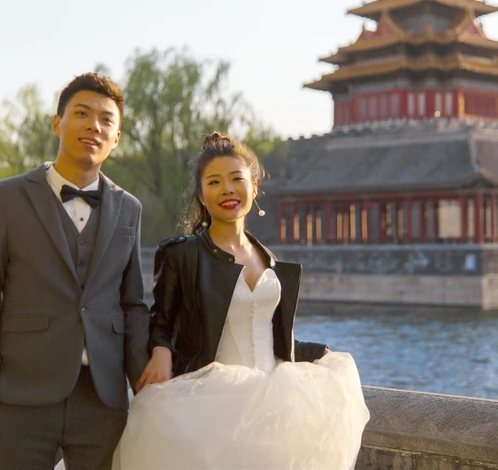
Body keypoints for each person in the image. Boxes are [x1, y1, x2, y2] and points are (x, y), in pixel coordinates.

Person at [114, 131, 369, 470]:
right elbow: (160, 320)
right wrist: (160, 348)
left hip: (271, 398)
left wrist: (320, 354)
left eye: (237, 179)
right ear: (202, 196)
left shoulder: (270, 259)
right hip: (211, 399)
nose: (228, 190)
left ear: (254, 187)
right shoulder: (181, 255)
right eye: (215, 182)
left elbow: (275, 336)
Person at [0, 73, 150, 470]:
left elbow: (132, 303)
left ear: (116, 138)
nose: (93, 126)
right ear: (57, 122)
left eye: (105, 120)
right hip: (18, 399)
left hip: (101, 400)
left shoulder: (129, 208)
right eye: (81, 113)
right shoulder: (6, 198)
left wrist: (140, 386)